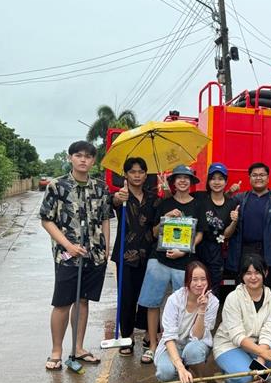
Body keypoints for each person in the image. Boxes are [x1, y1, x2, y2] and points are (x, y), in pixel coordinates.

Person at [40, 141, 111, 370]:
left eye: (88, 156)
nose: (83, 160)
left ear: (93, 161)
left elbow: (105, 219)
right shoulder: (57, 186)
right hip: (66, 257)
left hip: (94, 255)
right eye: (78, 155)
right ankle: (56, 351)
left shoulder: (100, 188)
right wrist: (68, 246)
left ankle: (78, 348)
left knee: (83, 301)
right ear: (70, 158)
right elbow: (47, 220)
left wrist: (106, 248)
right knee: (62, 303)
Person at [138, 165, 206, 364]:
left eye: (187, 178)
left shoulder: (198, 204)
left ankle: (176, 344)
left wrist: (185, 250)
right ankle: (153, 345)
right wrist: (166, 218)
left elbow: (200, 233)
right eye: (179, 178)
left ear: (192, 182)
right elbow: (154, 232)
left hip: (185, 262)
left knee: (184, 305)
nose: (183, 181)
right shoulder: (164, 203)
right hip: (159, 259)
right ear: (173, 182)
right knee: (152, 303)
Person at [213, 254, 271, 383]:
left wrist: (260, 361)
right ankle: (225, 380)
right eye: (248, 273)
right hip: (229, 345)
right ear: (242, 275)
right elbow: (237, 336)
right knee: (243, 376)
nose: (253, 277)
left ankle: (259, 382)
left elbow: (268, 331)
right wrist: (262, 354)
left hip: (257, 344)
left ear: (266, 272)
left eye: (257, 272)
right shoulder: (233, 298)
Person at [110, 157, 158, 356]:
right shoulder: (121, 196)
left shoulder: (154, 198)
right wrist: (117, 199)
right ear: (126, 174)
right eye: (133, 172)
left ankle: (148, 335)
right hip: (125, 255)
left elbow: (156, 228)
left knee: (147, 297)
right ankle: (127, 337)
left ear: (146, 174)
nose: (137, 175)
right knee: (126, 297)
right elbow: (110, 203)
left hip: (148, 254)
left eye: (141, 171)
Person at [154, 261, 220, 383]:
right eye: (194, 279)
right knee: (164, 373)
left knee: (193, 351)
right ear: (187, 281)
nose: (199, 284)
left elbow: (197, 336)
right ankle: (184, 370)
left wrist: (202, 310)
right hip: (173, 345)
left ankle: (201, 380)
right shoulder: (174, 300)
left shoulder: (213, 302)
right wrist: (180, 368)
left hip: (195, 345)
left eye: (203, 279)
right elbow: (169, 337)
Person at [225, 162, 271, 295]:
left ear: (268, 178)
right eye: (254, 175)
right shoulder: (241, 198)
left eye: (262, 175)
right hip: (245, 251)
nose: (258, 178)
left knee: (267, 290)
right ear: (249, 178)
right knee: (243, 290)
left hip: (268, 252)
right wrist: (229, 192)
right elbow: (219, 203)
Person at [194, 163, 239, 301]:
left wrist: (234, 221)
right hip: (197, 247)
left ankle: (209, 319)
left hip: (216, 251)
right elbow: (179, 199)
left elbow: (227, 235)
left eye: (220, 178)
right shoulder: (200, 197)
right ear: (208, 181)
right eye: (213, 178)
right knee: (195, 285)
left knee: (213, 288)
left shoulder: (231, 203)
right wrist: (165, 190)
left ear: (226, 182)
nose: (216, 182)